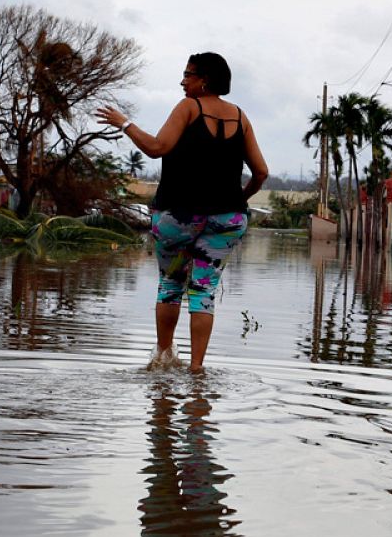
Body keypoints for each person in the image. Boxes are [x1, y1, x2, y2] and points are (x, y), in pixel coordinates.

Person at [97, 52, 269, 372]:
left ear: (204, 80)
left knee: (171, 285)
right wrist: (237, 200)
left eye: (188, 75)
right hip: (226, 220)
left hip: (179, 217)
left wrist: (124, 123)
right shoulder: (241, 118)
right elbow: (260, 172)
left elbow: (157, 147)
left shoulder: (190, 106)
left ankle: (163, 359)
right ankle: (196, 369)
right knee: (203, 290)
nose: (183, 81)